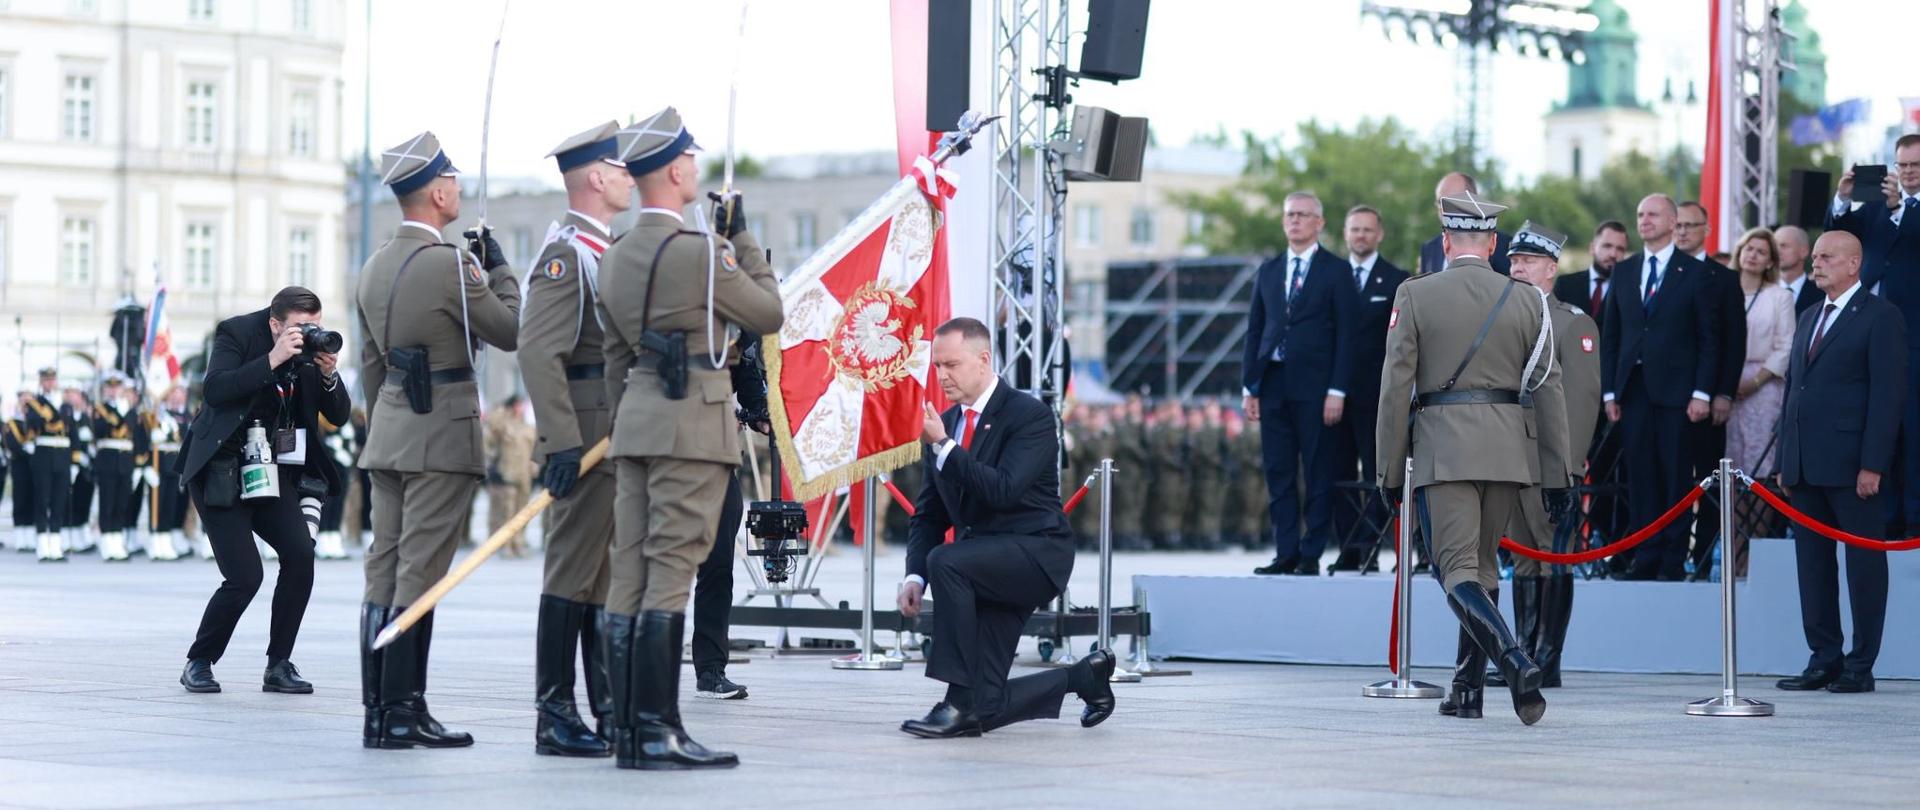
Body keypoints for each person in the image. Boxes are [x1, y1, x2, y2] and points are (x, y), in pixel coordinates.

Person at [595, 107, 781, 771]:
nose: (696, 171)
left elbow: (618, 355)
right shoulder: (701, 251)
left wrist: (628, 415)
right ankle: (655, 729)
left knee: (633, 570)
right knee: (673, 571)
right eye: (692, 162)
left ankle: (627, 727)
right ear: (675, 171)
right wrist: (742, 236)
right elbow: (767, 311)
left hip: (638, 419)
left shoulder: (615, 256)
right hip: (691, 423)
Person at [355, 131, 522, 749]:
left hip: (392, 432)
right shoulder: (453, 263)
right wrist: (499, 269)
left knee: (384, 570)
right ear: (437, 190)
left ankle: (383, 710)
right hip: (441, 432)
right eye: (451, 180)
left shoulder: (373, 266)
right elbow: (509, 330)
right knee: (420, 576)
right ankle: (402, 711)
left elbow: (372, 366)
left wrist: (388, 425)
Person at [1377, 191, 1570, 725]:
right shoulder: (1529, 299)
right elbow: (1548, 387)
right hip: (1509, 450)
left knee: (1455, 569)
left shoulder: (1416, 294)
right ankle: (1466, 690)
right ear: (1492, 243)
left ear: (1445, 242)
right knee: (1483, 571)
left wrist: (1389, 468)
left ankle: (1512, 661)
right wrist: (1558, 474)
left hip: (1446, 447)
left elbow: (1395, 387)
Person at [896, 317, 1116, 738]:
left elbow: (1003, 490)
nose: (942, 375)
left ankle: (955, 701)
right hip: (984, 565)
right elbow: (929, 514)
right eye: (937, 366)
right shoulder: (945, 422)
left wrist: (944, 446)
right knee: (988, 706)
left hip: (1034, 555)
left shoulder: (1028, 415)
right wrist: (914, 574)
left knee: (948, 560)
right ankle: (1083, 678)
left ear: (983, 360)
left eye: (952, 365)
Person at [516, 120, 632, 757]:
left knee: (602, 578)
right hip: (584, 436)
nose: (627, 179)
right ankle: (554, 713)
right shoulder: (568, 254)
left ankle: (607, 707)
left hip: (611, 430)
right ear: (595, 177)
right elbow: (539, 352)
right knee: (570, 573)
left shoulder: (602, 248)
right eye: (618, 169)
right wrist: (561, 441)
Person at [174, 287, 350, 695]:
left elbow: (338, 415)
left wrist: (327, 373)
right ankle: (199, 661)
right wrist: (273, 359)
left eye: (315, 327)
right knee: (245, 576)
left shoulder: (308, 352)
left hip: (270, 471)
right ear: (274, 324)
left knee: (301, 555)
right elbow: (216, 390)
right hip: (220, 469)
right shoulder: (237, 334)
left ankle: (279, 664)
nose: (306, 334)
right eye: (298, 328)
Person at [1775, 230, 1907, 694]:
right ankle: (1823, 658)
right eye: (1814, 257)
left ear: (1855, 264)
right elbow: (1795, 389)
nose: (1816, 264)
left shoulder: (1880, 317)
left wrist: (1873, 464)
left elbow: (1888, 398)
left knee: (1864, 566)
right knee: (1812, 566)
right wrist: (1785, 458)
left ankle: (1860, 663)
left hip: (1854, 468)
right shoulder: (1810, 314)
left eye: (1826, 257)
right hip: (1806, 466)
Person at [1601, 194, 1721, 581]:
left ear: (1673, 222)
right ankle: (1645, 556)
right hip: (1633, 392)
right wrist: (1610, 392)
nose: (1644, 220)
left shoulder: (1697, 273)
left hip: (1678, 395)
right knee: (1641, 476)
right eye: (1639, 214)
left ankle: (1672, 559)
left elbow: (1709, 338)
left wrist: (1703, 392)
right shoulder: (1624, 271)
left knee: (1674, 476)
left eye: (1652, 214)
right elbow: (1612, 336)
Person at [1502, 222, 1599, 689]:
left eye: (1528, 261)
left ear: (1551, 269)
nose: (1517, 267)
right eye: (1514, 260)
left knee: (1552, 557)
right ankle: (1522, 653)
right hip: (1508, 458)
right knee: (1523, 559)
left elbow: (1579, 403)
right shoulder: (1501, 315)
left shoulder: (1571, 321)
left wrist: (1567, 469)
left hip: (1549, 462)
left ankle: (1548, 656)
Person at [1242, 191, 1358, 576]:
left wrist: (1338, 390)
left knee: (1318, 470)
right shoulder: (1270, 270)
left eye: (1303, 215)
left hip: (1318, 388)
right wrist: (1250, 386)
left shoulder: (1336, 271)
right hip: (1273, 383)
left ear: (1319, 223)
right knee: (1278, 470)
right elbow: (1255, 329)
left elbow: (1347, 335)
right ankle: (1285, 550)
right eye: (1289, 214)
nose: (1294, 221)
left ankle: (1311, 552)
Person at [1826, 136, 1920, 534]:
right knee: (1874, 428)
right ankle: (1879, 521)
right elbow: (1838, 238)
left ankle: (1913, 523)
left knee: (1913, 432)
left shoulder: (1897, 208)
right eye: (1902, 165)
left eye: (1915, 165)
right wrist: (1843, 199)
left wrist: (1901, 209)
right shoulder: (1878, 209)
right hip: (1869, 334)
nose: (1908, 172)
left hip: (1914, 337)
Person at [1329, 205, 1409, 572]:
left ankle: (1373, 546)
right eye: (1354, 229)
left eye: (1367, 230)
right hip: (1333, 395)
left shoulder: (1397, 280)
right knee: (1338, 473)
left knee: (1377, 474)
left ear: (1380, 235)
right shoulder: (1330, 276)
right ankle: (1349, 548)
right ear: (1345, 233)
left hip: (1377, 396)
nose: (1360, 235)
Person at [1676, 201, 1749, 578]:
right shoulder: (1658, 274)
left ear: (1706, 229)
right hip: (1665, 400)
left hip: (1709, 403)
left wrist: (1721, 393)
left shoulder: (1723, 278)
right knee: (1668, 484)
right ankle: (1669, 557)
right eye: (1679, 224)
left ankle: (1703, 558)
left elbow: (1733, 342)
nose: (1683, 231)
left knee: (1707, 481)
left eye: (1691, 225)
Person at [1726, 228, 1795, 568]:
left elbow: (1786, 346)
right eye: (1748, 248)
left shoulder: (1778, 296)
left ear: (1770, 260)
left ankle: (1759, 553)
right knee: (1730, 469)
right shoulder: (1723, 290)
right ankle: (1736, 555)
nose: (1753, 255)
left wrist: (1755, 381)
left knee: (1760, 469)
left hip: (1764, 387)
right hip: (1725, 388)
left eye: (1761, 251)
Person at [1417, 172, 1512, 276]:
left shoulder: (1505, 246)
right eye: (1441, 202)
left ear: (1473, 199)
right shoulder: (1429, 249)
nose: (1445, 208)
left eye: (1452, 200)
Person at [23, 369, 71, 562]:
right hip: (44, 455)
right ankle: (43, 544)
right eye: (47, 380)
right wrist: (50, 412)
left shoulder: (64, 404)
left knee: (59, 501)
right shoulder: (35, 403)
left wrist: (74, 459)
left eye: (53, 380)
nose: (50, 384)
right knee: (43, 500)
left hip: (62, 455)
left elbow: (71, 430)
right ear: (42, 382)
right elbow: (33, 422)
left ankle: (56, 543)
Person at [90, 373, 136, 562]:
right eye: (110, 387)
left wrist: (124, 412)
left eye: (117, 387)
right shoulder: (100, 409)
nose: (113, 390)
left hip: (125, 461)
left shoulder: (129, 410)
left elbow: (134, 430)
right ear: (104, 390)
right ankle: (107, 541)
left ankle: (117, 541)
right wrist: (120, 414)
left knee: (121, 503)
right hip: (107, 459)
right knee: (107, 502)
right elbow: (101, 430)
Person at [483, 395, 536, 557]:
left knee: (523, 512)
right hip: (508, 473)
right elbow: (492, 427)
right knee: (507, 512)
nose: (521, 409)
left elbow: (534, 448)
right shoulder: (504, 426)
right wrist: (502, 410)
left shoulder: (528, 427)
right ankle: (506, 545)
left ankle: (519, 543)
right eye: (518, 405)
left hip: (525, 475)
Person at [1554, 220, 1628, 330]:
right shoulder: (1565, 285)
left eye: (1620, 249)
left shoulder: (1629, 292)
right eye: (1607, 246)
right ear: (1592, 248)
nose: (1613, 254)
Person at [145, 388, 189, 561]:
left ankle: (165, 538)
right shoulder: (154, 415)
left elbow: (185, 439)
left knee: (170, 504)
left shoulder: (183, 416)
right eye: (173, 394)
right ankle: (154, 539)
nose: (177, 397)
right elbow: (141, 438)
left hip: (173, 465)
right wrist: (146, 465)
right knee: (157, 503)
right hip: (157, 466)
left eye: (180, 394)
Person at [8, 392, 35, 553]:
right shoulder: (12, 423)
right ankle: (20, 536)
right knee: (20, 499)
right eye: (23, 401)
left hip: (34, 467)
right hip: (19, 465)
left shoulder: (33, 421)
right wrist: (26, 451)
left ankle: (30, 536)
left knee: (32, 498)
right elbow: (11, 443)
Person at [1773, 225, 1822, 315]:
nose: (1777, 251)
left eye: (1783, 246)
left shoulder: (1822, 295)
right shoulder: (1761, 291)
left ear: (1804, 252)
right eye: (1774, 246)